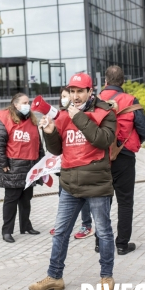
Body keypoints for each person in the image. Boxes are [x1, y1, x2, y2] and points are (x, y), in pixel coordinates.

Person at [29, 73, 117, 290]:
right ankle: (54, 277)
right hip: (69, 184)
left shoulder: (105, 112)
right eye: (72, 92)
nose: (75, 96)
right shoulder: (63, 115)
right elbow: (57, 149)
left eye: (80, 91)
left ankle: (106, 277)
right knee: (60, 232)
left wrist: (77, 116)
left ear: (90, 91)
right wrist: (49, 133)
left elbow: (103, 140)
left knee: (104, 233)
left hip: (96, 184)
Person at [98, 66, 145, 255]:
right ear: (122, 82)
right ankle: (122, 244)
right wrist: (129, 141)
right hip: (124, 156)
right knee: (125, 202)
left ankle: (100, 243)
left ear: (105, 82)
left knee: (102, 200)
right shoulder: (130, 100)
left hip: (99, 157)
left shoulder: (95, 100)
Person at [0, 93, 44, 243]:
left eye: (29, 102)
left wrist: (41, 164)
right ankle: (7, 231)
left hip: (30, 167)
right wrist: (3, 164)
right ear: (15, 104)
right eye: (25, 102)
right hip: (13, 167)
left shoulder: (32, 121)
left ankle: (26, 225)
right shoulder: (5, 120)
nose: (28, 105)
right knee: (11, 201)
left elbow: (39, 145)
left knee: (26, 199)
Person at [49, 87, 95, 240]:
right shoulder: (59, 116)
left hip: (84, 170)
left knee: (85, 199)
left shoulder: (83, 115)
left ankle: (86, 225)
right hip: (66, 168)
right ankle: (61, 224)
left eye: (66, 96)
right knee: (62, 195)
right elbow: (56, 145)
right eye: (62, 96)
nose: (65, 99)